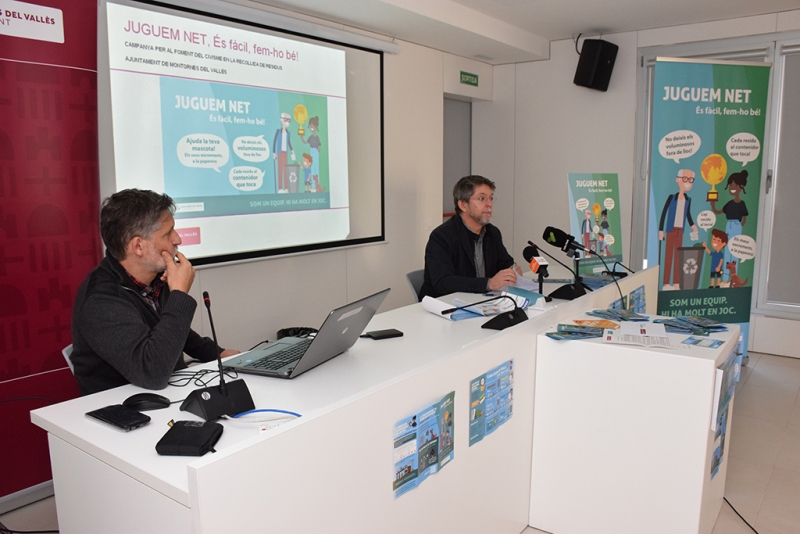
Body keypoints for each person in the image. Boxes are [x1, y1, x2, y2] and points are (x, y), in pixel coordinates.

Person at [70, 189, 239, 395]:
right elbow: (152, 372)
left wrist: (217, 353)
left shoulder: (153, 279)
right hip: (125, 409)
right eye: (168, 233)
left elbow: (171, 330)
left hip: (166, 395)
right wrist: (179, 295)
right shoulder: (101, 301)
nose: (177, 239)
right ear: (138, 246)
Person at [419, 175, 521, 299]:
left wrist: (512, 270)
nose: (489, 204)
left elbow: (505, 263)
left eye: (491, 198)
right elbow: (442, 282)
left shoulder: (492, 232)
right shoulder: (441, 237)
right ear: (463, 205)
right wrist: (488, 283)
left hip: (482, 301)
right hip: (446, 305)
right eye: (482, 198)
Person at [658, 169, 699, 290]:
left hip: (680, 231)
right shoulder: (671, 198)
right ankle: (666, 283)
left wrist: (693, 225)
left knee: (678, 257)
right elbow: (664, 213)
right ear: (678, 179)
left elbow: (688, 214)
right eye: (685, 179)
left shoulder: (688, 199)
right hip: (671, 230)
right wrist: (661, 230)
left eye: (690, 180)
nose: (687, 182)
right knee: (668, 256)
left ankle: (676, 283)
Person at [710, 170, 748, 286]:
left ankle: (733, 277)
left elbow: (744, 217)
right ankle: (725, 278)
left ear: (741, 187)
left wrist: (739, 226)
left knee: (735, 249)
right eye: (731, 185)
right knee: (727, 249)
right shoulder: (729, 204)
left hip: (736, 225)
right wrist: (713, 204)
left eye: (734, 185)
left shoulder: (742, 204)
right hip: (729, 224)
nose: (732, 187)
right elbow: (718, 211)